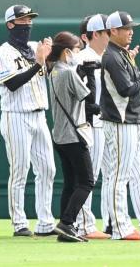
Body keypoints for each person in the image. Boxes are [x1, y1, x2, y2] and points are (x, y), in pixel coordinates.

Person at [99, 11, 140, 240]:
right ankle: (120, 227)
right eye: (126, 28)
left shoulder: (122, 54)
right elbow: (126, 90)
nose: (131, 32)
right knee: (119, 176)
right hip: (120, 121)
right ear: (113, 31)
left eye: (132, 28)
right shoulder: (111, 56)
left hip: (134, 120)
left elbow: (131, 84)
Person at [0, 5, 56, 237]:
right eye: (22, 19)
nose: (27, 23)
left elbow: (48, 72)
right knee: (20, 170)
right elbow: (12, 84)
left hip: (39, 115)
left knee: (48, 169)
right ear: (10, 24)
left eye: (30, 19)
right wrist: (39, 63)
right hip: (16, 116)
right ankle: (19, 223)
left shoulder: (33, 47)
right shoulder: (3, 52)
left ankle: (46, 222)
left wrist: (49, 57)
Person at [47, 31, 98, 243]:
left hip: (60, 135)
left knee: (70, 183)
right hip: (73, 134)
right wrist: (91, 74)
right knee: (86, 181)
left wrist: (82, 72)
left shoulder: (54, 72)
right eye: (76, 49)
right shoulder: (67, 72)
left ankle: (65, 228)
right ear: (67, 51)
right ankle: (67, 222)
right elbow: (89, 97)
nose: (78, 53)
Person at [71, 14, 112, 240]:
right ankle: (84, 224)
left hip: (105, 122)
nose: (111, 35)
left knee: (108, 175)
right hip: (89, 123)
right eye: (107, 32)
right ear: (95, 34)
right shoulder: (82, 58)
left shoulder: (108, 56)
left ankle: (109, 221)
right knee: (89, 176)